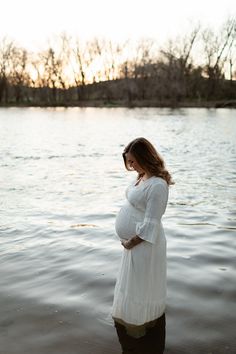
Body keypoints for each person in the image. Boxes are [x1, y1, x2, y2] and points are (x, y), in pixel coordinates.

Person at [112, 137, 174, 354]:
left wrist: (130, 242)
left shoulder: (158, 185)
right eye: (128, 162)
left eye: (133, 161)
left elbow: (152, 224)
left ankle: (140, 327)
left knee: (141, 286)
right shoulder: (141, 176)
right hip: (133, 245)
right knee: (132, 285)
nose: (131, 166)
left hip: (145, 245)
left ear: (145, 157)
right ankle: (134, 328)